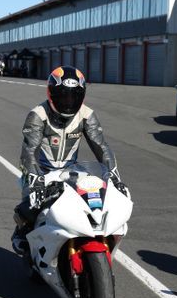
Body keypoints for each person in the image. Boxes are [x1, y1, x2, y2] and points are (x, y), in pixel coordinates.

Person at [11, 65, 127, 255]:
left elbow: (101, 147)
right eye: (63, 96)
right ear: (51, 94)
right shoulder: (38, 115)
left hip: (70, 171)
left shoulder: (87, 115)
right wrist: (35, 179)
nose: (68, 102)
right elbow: (29, 151)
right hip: (40, 171)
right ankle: (21, 231)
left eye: (74, 96)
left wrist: (114, 175)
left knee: (94, 199)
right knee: (33, 204)